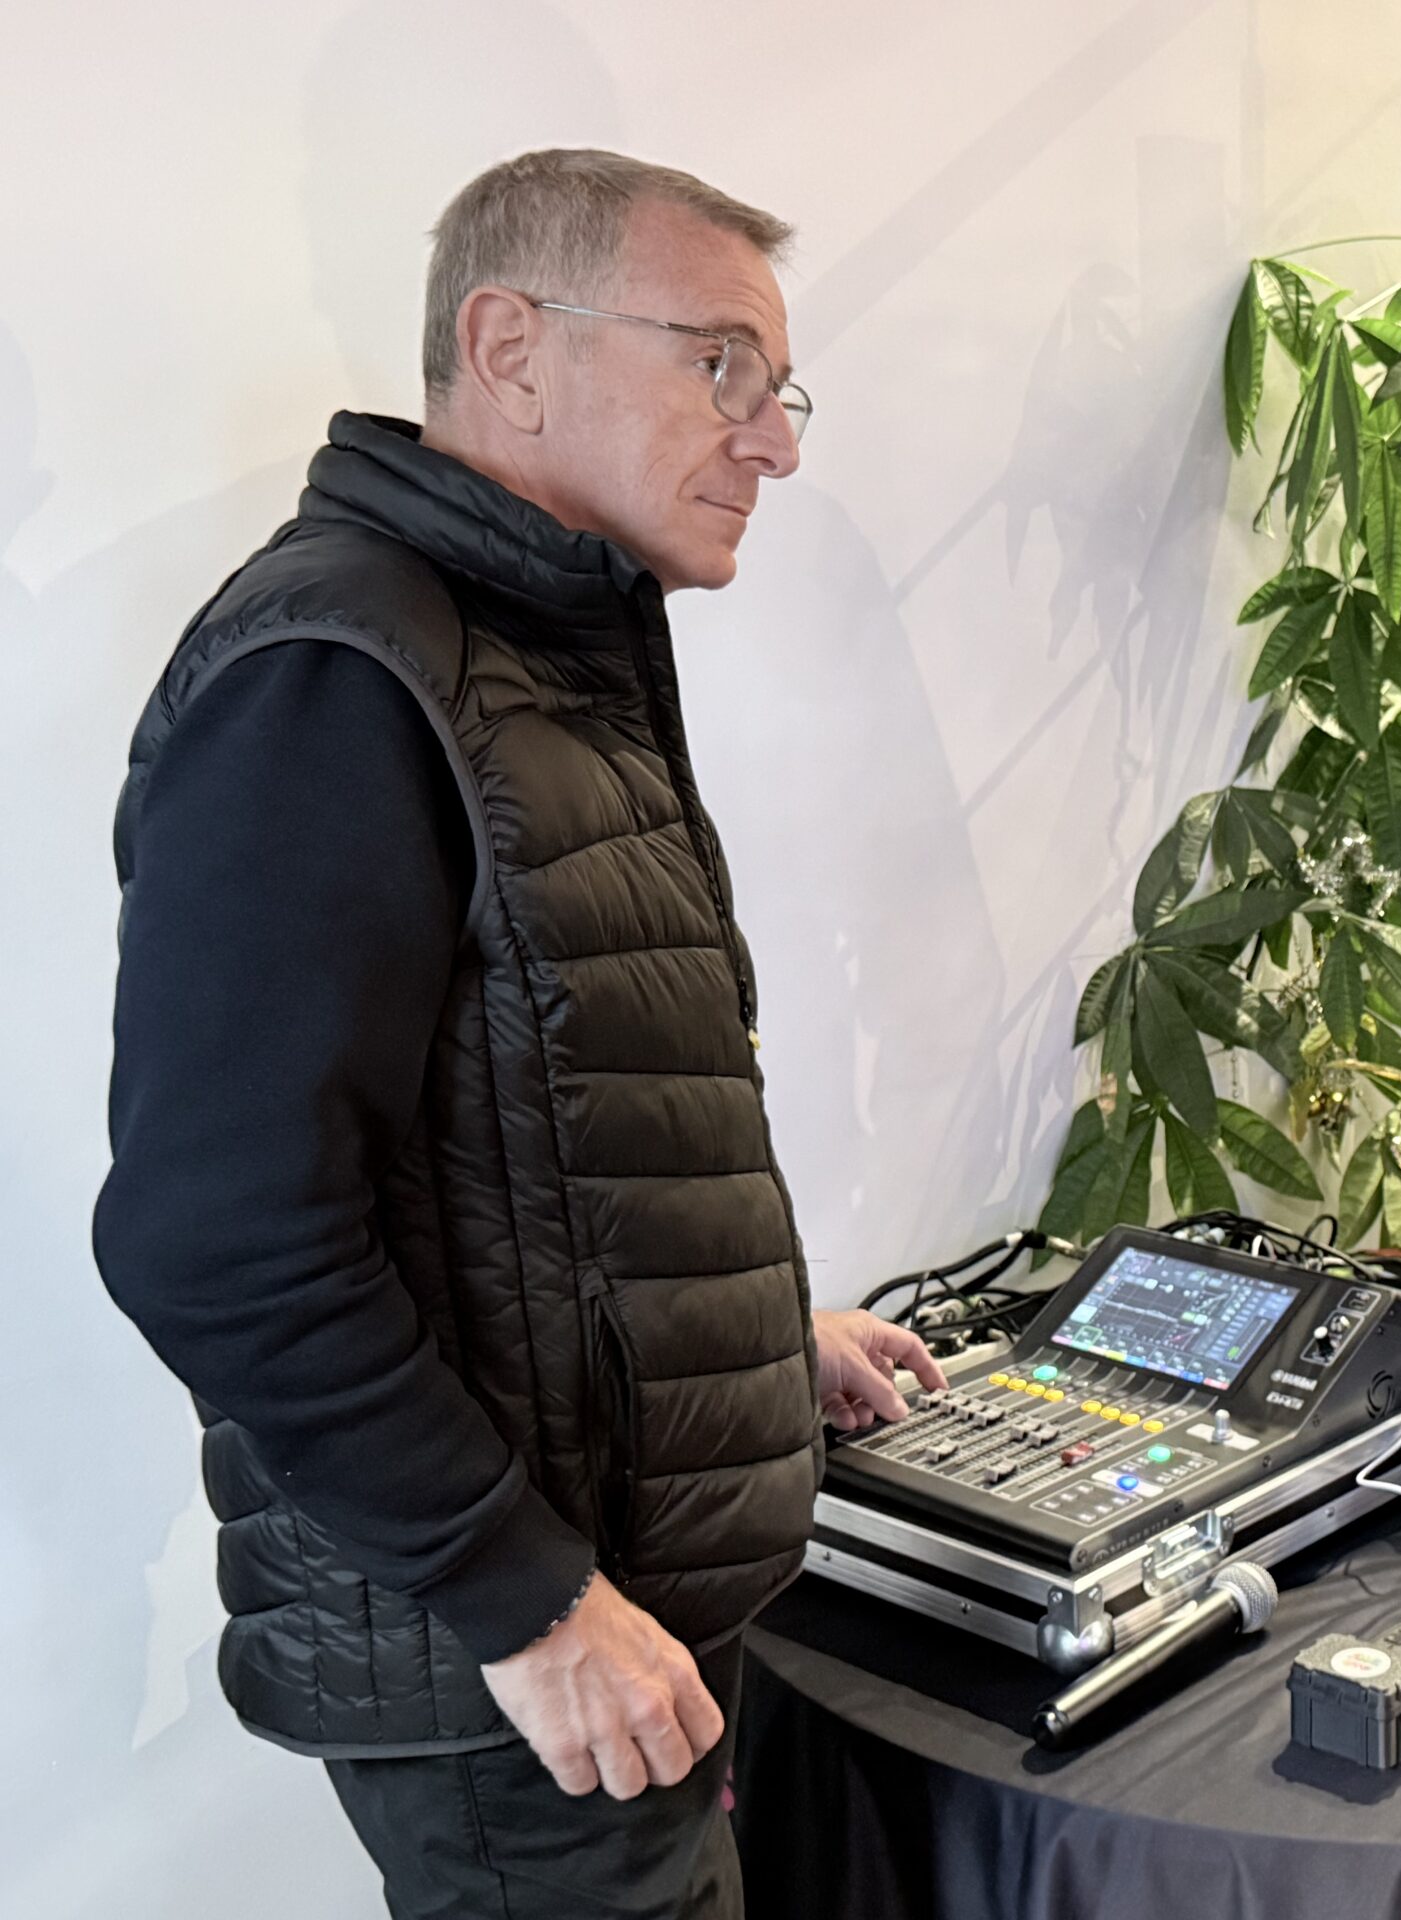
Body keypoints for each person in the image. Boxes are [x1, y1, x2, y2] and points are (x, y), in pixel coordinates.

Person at [92, 147, 945, 1919]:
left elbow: (535, 1137)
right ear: (510, 346)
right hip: (521, 1678)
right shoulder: (338, 671)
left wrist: (743, 1343)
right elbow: (220, 1236)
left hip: (613, 1606)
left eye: (780, 389)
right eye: (722, 365)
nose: (774, 443)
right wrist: (532, 1604)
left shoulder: (532, 650)